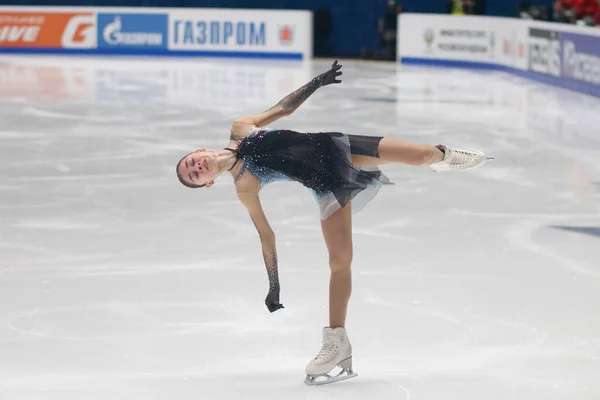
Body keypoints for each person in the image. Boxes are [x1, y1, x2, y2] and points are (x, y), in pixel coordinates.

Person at [175, 61, 492, 385]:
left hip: (338, 147)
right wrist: (274, 285)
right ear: (208, 183)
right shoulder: (245, 185)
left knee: (422, 155)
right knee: (340, 262)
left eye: (191, 162)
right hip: (325, 183)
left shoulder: (241, 127)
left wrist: (318, 82)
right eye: (195, 175)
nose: (197, 167)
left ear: (198, 151)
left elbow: (283, 109)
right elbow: (267, 236)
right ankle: (337, 341)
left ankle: (445, 156)